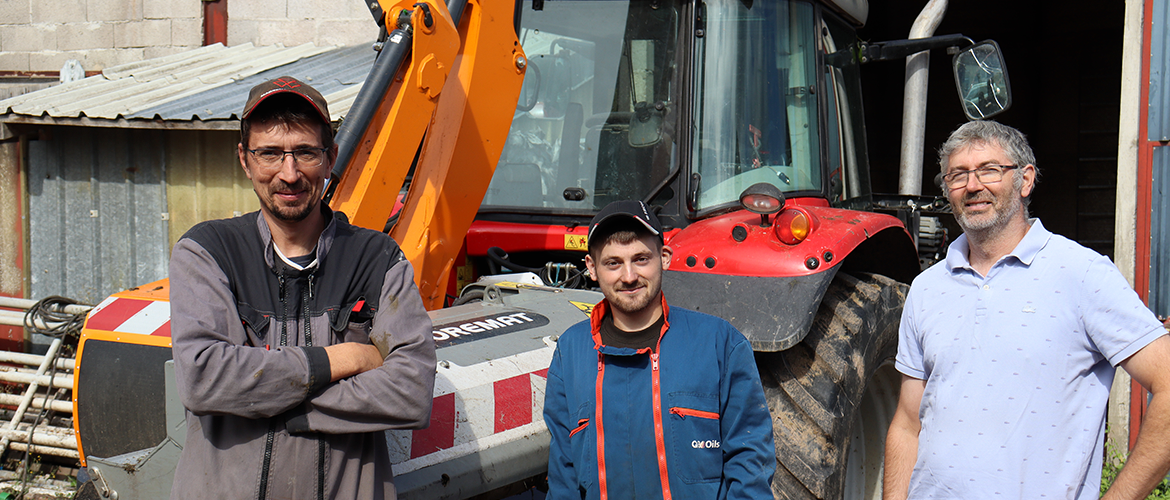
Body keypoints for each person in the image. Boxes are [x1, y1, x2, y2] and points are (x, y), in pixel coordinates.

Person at [169, 76, 436, 500]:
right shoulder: (208, 252)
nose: (288, 174)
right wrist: (340, 359)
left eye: (306, 153)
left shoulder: (378, 259)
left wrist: (267, 397)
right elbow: (204, 378)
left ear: (330, 158)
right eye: (270, 153)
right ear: (245, 159)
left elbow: (412, 391)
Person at [884, 120, 1170, 499]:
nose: (972, 186)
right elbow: (907, 424)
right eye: (957, 175)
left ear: (1025, 179)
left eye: (989, 170)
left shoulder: (1081, 273)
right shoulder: (927, 288)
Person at [543, 200, 776, 499]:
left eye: (641, 259)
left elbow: (749, 459)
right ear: (591, 268)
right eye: (613, 263)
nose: (628, 276)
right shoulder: (571, 352)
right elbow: (564, 475)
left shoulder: (719, 343)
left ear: (664, 257)